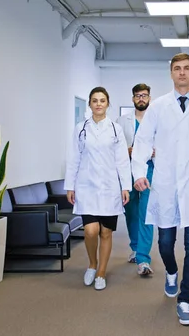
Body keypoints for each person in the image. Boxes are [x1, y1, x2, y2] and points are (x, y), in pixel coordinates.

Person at [131, 53, 189, 326]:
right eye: (177, 69)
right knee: (166, 243)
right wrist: (138, 172)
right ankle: (171, 271)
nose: (182, 73)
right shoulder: (158, 106)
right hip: (166, 181)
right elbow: (143, 140)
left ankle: (185, 299)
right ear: (171, 74)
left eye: (186, 69)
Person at [64, 87, 131, 291]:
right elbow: (74, 158)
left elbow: (122, 160)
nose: (99, 104)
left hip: (110, 187)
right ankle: (92, 265)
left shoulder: (115, 129)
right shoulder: (80, 128)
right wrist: (70, 186)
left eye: (102, 100)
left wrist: (125, 186)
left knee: (106, 232)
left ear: (108, 104)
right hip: (87, 186)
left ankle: (101, 272)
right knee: (91, 231)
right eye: (95, 100)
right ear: (90, 104)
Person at [116, 83, 156, 276]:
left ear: (149, 98)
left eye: (145, 95)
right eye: (138, 95)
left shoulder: (156, 120)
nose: (141, 98)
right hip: (127, 170)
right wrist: (127, 151)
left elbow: (165, 144)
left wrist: (156, 151)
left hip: (150, 169)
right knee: (130, 212)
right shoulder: (122, 121)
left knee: (147, 213)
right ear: (133, 99)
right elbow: (113, 148)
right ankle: (135, 246)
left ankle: (143, 258)